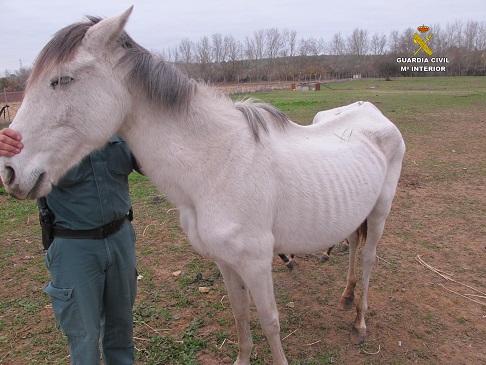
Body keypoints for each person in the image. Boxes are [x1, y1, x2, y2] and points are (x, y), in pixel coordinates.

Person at [0, 127, 139, 365]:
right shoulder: (41, 128)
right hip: (74, 248)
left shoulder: (118, 122)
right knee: (84, 341)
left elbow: (148, 162)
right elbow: (13, 181)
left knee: (121, 331)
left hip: (121, 239)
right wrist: (5, 156)